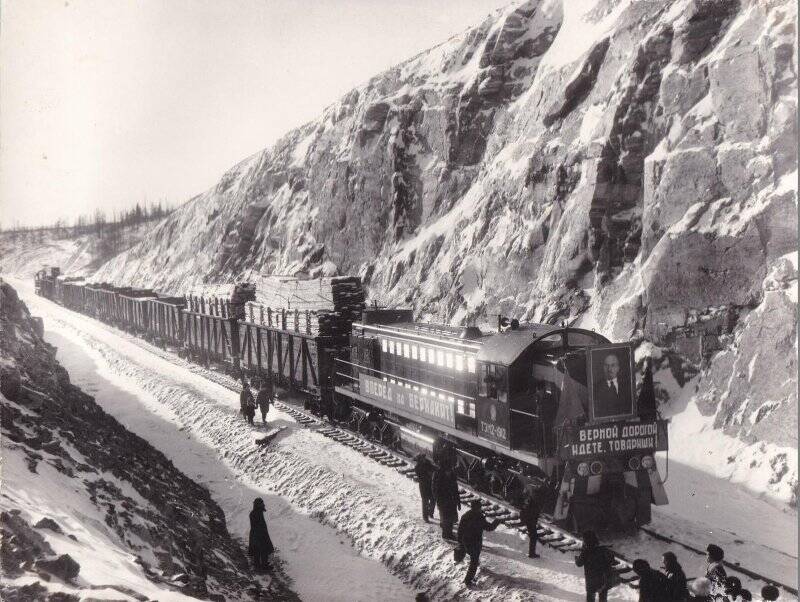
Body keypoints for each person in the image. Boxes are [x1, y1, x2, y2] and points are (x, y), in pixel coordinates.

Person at [457, 499, 501, 586]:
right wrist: (497, 521)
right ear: (478, 508)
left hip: (465, 541)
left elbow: (460, 530)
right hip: (475, 543)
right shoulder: (479, 517)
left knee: (473, 557)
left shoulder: (465, 515)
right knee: (474, 561)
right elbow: (490, 527)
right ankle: (468, 580)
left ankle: (475, 567)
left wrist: (460, 542)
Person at [575, 530, 615, 602]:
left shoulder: (585, 552)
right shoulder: (603, 550)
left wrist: (577, 558)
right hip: (603, 579)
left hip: (591, 580)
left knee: (590, 599)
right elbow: (612, 561)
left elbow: (579, 564)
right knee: (603, 599)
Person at [592, 352, 631, 417]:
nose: (609, 369)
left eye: (613, 365)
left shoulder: (628, 386)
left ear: (618, 368)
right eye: (606, 365)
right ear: (603, 368)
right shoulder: (595, 388)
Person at [432, 467, 460, 540]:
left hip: (451, 502)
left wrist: (458, 502)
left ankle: (449, 534)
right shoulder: (440, 480)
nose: (449, 472)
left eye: (450, 471)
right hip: (444, 502)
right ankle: (445, 535)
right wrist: (439, 502)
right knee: (445, 519)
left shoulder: (452, 478)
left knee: (450, 519)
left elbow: (456, 491)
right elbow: (436, 492)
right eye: (448, 471)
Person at [248, 498, 274, 572]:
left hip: (255, 534)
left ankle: (258, 565)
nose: (263, 505)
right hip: (260, 535)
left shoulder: (253, 513)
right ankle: (264, 566)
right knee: (263, 549)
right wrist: (264, 535)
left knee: (257, 550)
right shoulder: (258, 513)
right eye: (262, 504)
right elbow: (260, 526)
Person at [519, 490, 541, 558]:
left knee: (533, 537)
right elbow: (526, 511)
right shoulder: (532, 502)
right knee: (533, 537)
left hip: (529, 520)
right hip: (530, 521)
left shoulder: (530, 501)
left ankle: (532, 553)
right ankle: (532, 554)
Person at [414, 454, 436, 523]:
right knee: (425, 502)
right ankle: (425, 517)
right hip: (423, 486)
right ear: (419, 460)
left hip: (430, 485)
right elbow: (422, 477)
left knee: (433, 500)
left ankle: (430, 513)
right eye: (422, 458)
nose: (424, 459)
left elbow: (433, 468)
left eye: (424, 458)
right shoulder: (417, 467)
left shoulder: (427, 463)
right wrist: (429, 474)